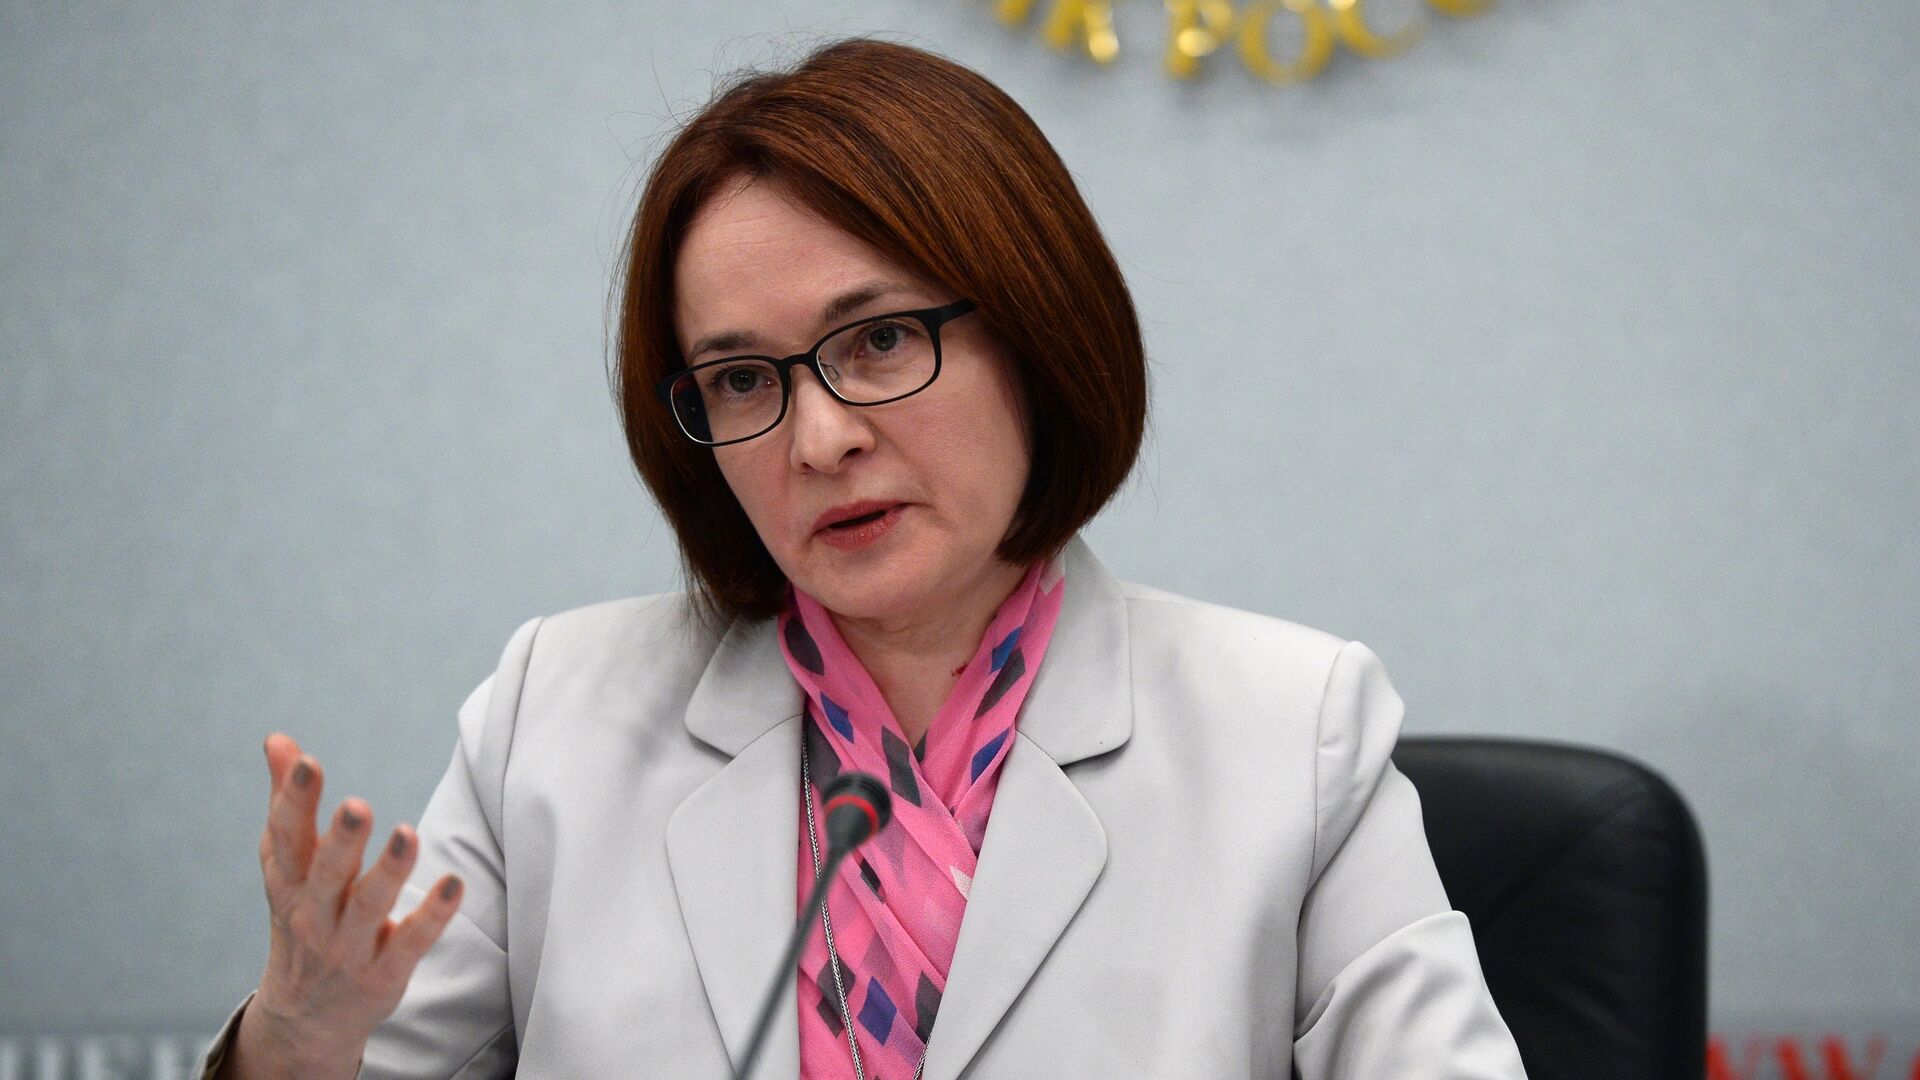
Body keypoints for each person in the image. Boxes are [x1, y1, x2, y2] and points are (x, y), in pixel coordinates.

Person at [201, 36, 1528, 1080]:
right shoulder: (553, 717)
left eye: (881, 341)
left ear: (1034, 335)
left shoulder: (1291, 729)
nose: (820, 438)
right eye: (741, 378)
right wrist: (296, 1047)